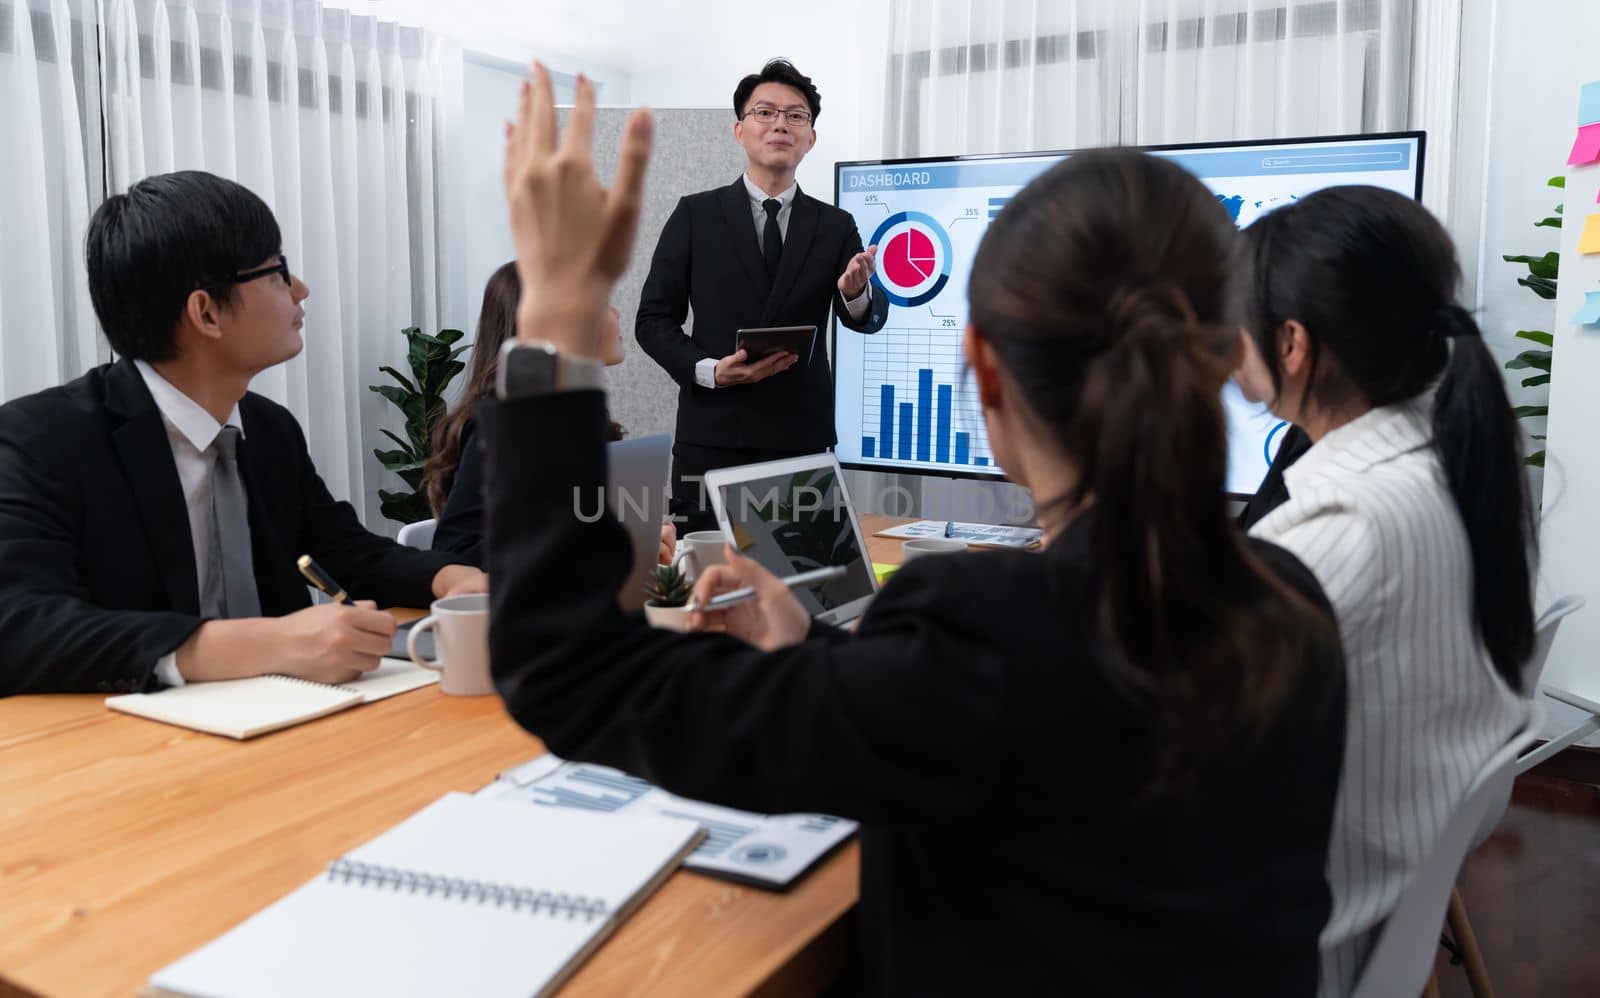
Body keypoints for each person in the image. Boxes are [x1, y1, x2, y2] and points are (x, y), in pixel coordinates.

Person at [482, 67, 1347, 994]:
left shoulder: (977, 635)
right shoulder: (1292, 605)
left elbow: (569, 671)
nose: (780, 126)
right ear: (1222, 354)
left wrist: (558, 321)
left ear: (985, 370)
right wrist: (808, 639)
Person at [0, 170, 486, 697]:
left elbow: (347, 552)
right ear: (206, 312)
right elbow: (22, 625)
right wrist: (267, 643)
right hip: (124, 742)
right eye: (278, 272)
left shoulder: (267, 428)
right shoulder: (42, 439)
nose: (301, 289)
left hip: (284, 723)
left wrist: (449, 579)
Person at [1231, 185, 1536, 995]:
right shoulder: (1443, 471)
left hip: (1284, 946)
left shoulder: (1339, 531)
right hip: (1367, 905)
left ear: (1292, 344)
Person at [636, 58, 889, 532]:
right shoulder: (695, 215)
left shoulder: (835, 225)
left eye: (796, 116)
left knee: (808, 585)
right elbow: (652, 320)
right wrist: (709, 371)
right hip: (712, 438)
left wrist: (857, 294)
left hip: (800, 441)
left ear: (810, 138)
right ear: (739, 131)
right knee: (702, 580)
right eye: (765, 112)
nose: (780, 124)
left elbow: (866, 317)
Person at [426, 262, 672, 566]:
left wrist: (642, 530)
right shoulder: (502, 429)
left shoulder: (575, 417)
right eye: (603, 303)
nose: (617, 313)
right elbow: (453, 555)